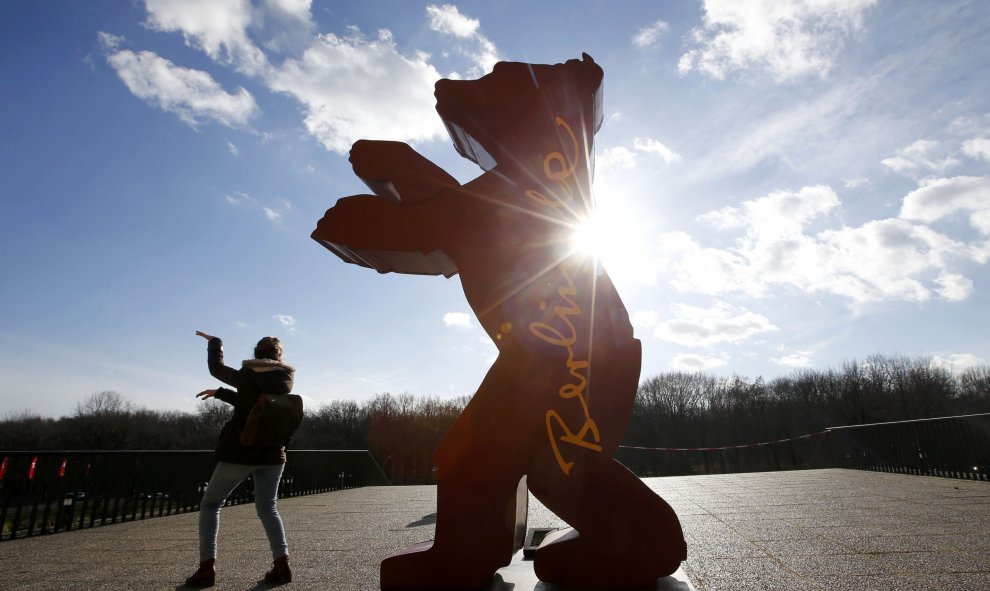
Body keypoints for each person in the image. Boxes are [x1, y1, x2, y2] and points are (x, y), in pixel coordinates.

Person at [184, 331, 295, 588]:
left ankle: (206, 570)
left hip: (241, 451)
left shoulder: (248, 374)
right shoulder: (285, 379)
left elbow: (217, 368)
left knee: (211, 505)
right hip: (273, 454)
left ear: (256, 354)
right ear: (279, 356)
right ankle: (282, 566)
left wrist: (215, 343)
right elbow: (254, 404)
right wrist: (222, 393)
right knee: (268, 508)